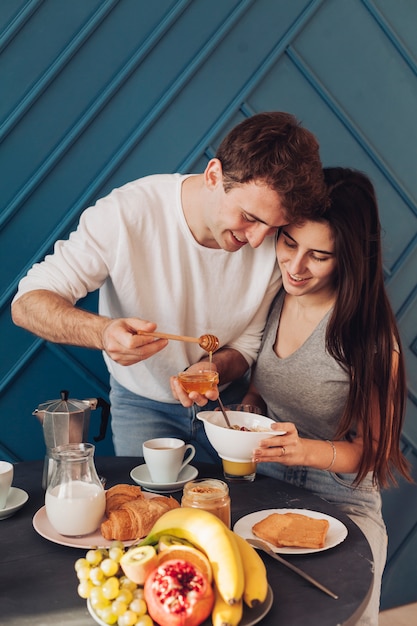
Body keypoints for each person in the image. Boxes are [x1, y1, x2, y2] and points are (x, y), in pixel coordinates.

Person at [11, 111, 327, 462]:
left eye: (272, 227)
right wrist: (102, 333)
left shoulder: (276, 245)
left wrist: (213, 369)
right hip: (142, 405)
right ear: (213, 175)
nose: (256, 241)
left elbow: (248, 346)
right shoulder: (127, 213)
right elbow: (27, 303)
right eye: (250, 218)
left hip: (228, 403)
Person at [242, 167, 411, 625]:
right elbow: (267, 378)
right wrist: (252, 405)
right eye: (289, 243)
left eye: (319, 256)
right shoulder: (273, 295)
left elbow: (374, 454)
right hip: (264, 483)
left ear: (350, 259)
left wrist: (304, 452)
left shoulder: (372, 342)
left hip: (342, 501)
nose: (295, 267)